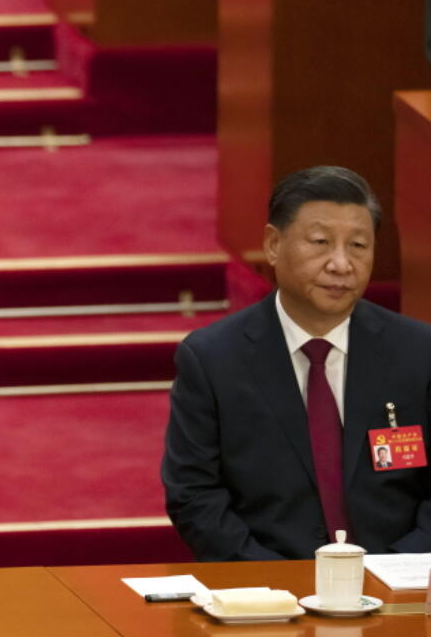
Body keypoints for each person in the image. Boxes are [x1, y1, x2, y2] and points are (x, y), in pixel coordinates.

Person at [162, 166, 431, 560]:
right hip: (268, 590)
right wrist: (274, 580)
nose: (341, 264)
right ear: (273, 245)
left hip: (399, 583)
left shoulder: (418, 351)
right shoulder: (214, 359)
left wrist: (399, 569)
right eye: (320, 242)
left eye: (358, 245)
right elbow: (194, 495)